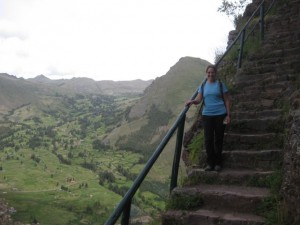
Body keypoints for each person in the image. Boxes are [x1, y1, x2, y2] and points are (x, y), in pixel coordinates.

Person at [186, 65, 231, 172]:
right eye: (208, 72)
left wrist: (228, 115)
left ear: (215, 73)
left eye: (212, 72)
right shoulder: (203, 85)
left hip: (220, 114)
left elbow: (227, 100)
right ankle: (210, 163)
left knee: (218, 139)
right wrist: (192, 102)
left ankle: (218, 163)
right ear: (206, 74)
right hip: (207, 115)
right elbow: (198, 99)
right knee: (208, 140)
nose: (210, 74)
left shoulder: (220, 85)